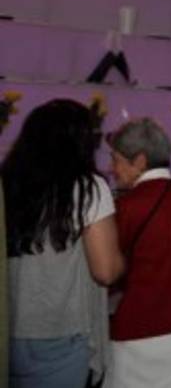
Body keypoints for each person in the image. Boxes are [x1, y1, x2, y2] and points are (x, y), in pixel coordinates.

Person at [4, 99, 125, 388]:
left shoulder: (8, 183)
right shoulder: (87, 188)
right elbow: (106, 270)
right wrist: (124, 258)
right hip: (62, 329)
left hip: (8, 326)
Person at [108, 118, 171, 387]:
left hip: (137, 331)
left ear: (140, 161)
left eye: (116, 160)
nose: (112, 169)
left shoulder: (126, 207)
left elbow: (109, 270)